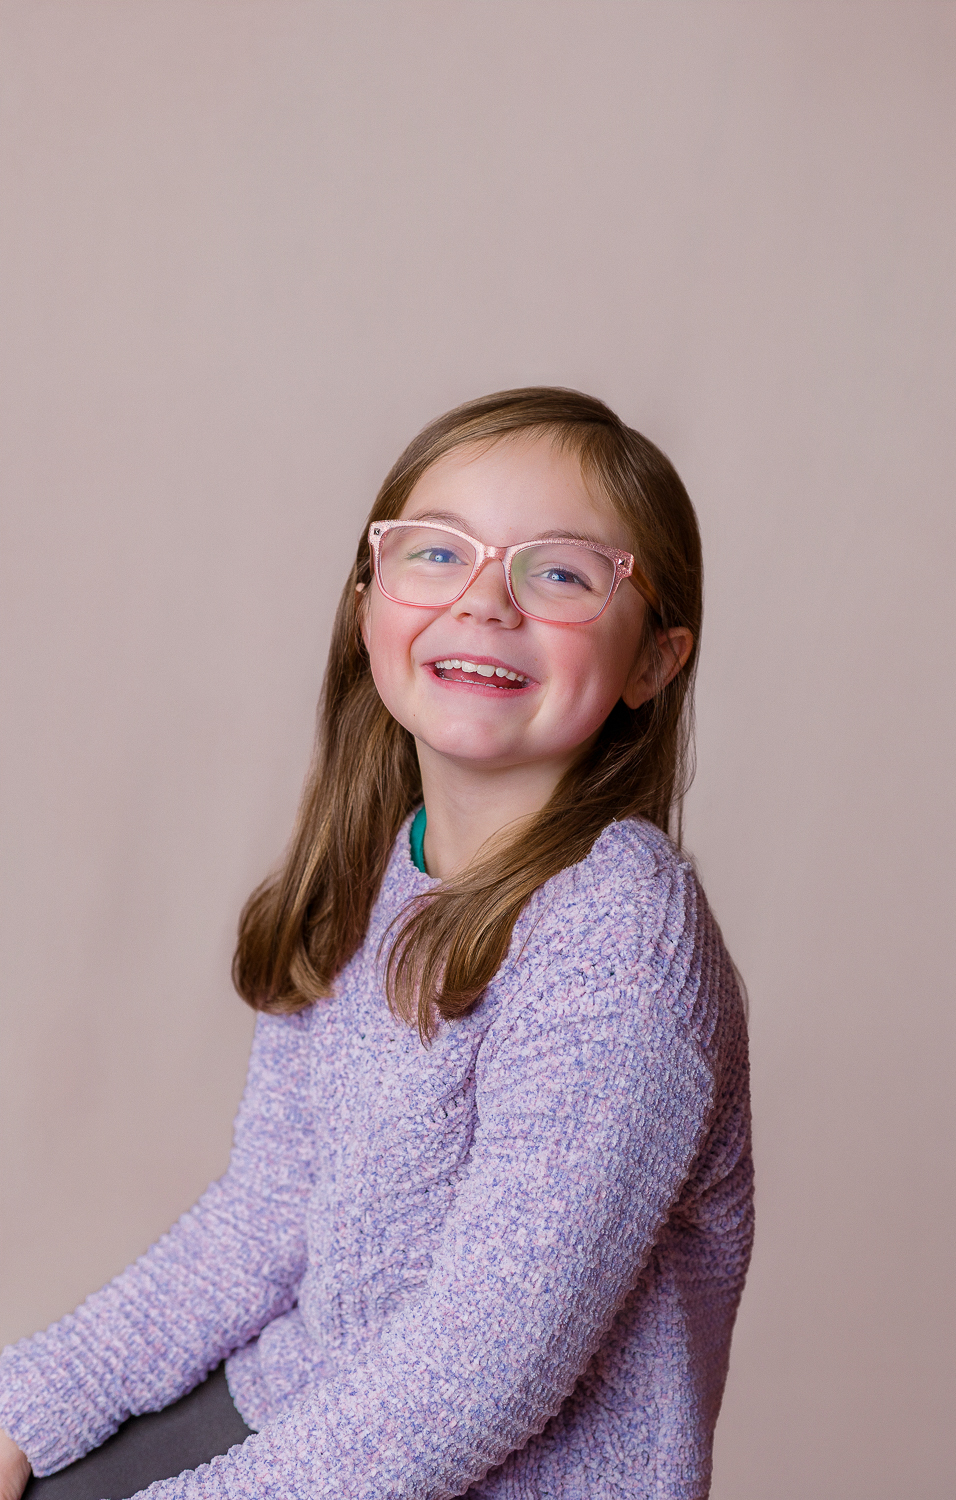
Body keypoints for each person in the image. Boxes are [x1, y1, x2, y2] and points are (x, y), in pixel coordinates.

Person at [0, 388, 753, 1500]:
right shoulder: (366, 870)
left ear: (652, 660)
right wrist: (23, 1412)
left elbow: (478, 1373)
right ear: (369, 606)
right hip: (309, 1400)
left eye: (560, 573)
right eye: (437, 553)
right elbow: (260, 1226)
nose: (485, 601)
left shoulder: (618, 936)